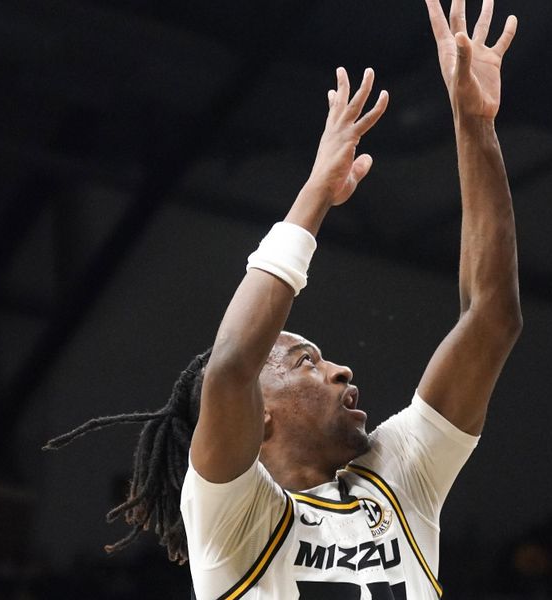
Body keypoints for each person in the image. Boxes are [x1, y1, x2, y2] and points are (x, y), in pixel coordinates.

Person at [45, 0, 520, 597]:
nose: (341, 368)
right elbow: (232, 365)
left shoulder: (399, 480)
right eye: (305, 362)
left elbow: (491, 317)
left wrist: (474, 124)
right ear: (256, 416)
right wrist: (315, 195)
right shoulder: (232, 517)